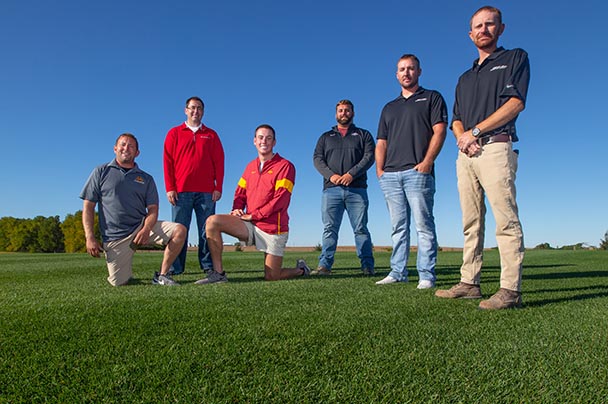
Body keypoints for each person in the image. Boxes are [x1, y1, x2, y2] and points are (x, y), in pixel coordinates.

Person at [435, 6, 530, 310]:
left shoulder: (515, 58)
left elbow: (515, 103)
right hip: (467, 155)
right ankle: (469, 282)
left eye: (490, 24)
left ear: (501, 29)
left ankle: (510, 290)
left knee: (506, 219)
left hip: (496, 148)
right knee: (471, 222)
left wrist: (475, 133)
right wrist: (465, 140)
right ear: (470, 34)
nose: (483, 29)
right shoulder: (464, 77)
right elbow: (456, 119)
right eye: (478, 26)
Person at [196, 124, 311, 284]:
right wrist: (237, 208)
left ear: (274, 142)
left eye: (269, 138)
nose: (264, 141)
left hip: (273, 229)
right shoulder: (250, 167)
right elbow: (240, 193)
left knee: (272, 276)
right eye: (261, 137)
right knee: (212, 222)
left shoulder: (285, 166)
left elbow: (281, 199)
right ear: (254, 141)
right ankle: (218, 274)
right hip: (250, 225)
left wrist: (254, 215)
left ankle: (301, 270)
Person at [375, 54, 448, 289]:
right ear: (396, 75)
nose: (406, 73)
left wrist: (427, 162)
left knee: (423, 226)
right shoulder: (389, 108)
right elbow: (382, 142)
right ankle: (398, 271)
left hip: (418, 172)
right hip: (391, 175)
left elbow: (439, 131)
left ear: (419, 71)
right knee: (398, 228)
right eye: (402, 69)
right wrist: (380, 170)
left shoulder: (431, 98)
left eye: (411, 69)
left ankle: (426, 275)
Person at [80, 133, 187, 286]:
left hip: (142, 227)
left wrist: (146, 228)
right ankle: (124, 271)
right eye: (123, 144)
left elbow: (153, 209)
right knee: (119, 283)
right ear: (115, 148)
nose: (126, 148)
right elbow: (88, 206)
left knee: (180, 230)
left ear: (137, 153)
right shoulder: (100, 172)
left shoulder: (146, 178)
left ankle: (162, 275)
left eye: (131, 146)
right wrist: (89, 236)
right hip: (116, 238)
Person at [312, 99, 375, 276]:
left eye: (347, 110)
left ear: (353, 113)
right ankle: (325, 265)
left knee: (360, 228)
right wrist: (331, 175)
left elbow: (369, 156)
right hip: (331, 190)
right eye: (340, 111)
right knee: (330, 228)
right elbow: (317, 159)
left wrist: (351, 175)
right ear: (336, 114)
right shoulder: (325, 137)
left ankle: (367, 265)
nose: (344, 113)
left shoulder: (363, 135)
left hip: (357, 190)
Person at [163, 96, 225, 276]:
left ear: (203, 112)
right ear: (185, 110)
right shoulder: (174, 133)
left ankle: (207, 265)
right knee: (179, 229)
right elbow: (167, 162)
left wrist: (218, 186)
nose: (195, 111)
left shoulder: (211, 135)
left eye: (199, 108)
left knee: (206, 230)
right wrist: (170, 187)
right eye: (192, 108)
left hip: (206, 192)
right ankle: (176, 267)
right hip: (180, 191)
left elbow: (219, 162)